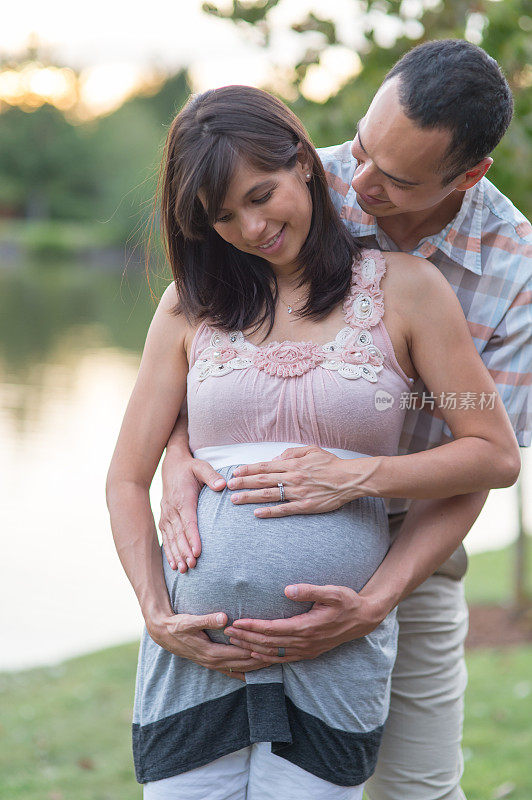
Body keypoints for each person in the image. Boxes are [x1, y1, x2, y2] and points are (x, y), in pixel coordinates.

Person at [106, 81, 521, 799]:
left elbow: (487, 454)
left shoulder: (465, 279)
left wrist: (360, 511)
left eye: (261, 199)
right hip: (200, 650)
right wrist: (156, 603)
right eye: (222, 216)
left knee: (419, 788)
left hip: (402, 559)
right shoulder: (203, 287)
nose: (250, 226)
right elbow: (127, 469)